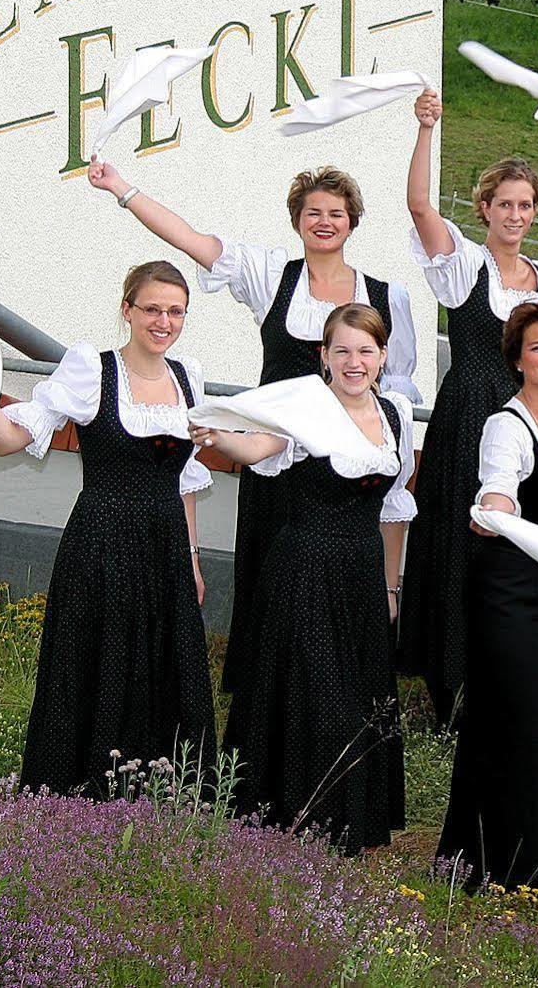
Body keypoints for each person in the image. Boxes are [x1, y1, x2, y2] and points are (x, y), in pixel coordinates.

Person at [86, 159, 418, 702]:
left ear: (353, 222)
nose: (325, 221)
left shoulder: (388, 298)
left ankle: (332, 692)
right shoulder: (271, 277)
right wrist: (122, 188)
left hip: (340, 474)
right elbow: (193, 240)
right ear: (298, 221)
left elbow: (399, 389)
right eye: (313, 212)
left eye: (336, 213)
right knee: (267, 575)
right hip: (272, 458)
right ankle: (263, 699)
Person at [0, 261, 216, 796]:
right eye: (152, 309)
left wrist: (193, 561)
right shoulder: (92, 369)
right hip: (102, 539)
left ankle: (155, 790)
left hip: (166, 544)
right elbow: (12, 439)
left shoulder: (187, 377)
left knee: (162, 661)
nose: (164, 321)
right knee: (97, 659)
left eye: (175, 311)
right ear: (127, 310)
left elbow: (185, 481)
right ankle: (84, 793)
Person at [192, 305, 415, 853]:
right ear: (324, 357)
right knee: (314, 691)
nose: (354, 361)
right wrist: (219, 436)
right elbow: (258, 447)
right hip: (306, 568)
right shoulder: (308, 409)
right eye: (342, 350)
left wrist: (390, 587)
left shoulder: (396, 414)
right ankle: (297, 817)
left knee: (355, 693)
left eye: (365, 350)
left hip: (362, 574)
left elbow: (393, 511)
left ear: (383, 357)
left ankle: (348, 819)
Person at [402, 90, 538, 718]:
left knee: (511, 538)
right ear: (485, 209)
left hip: (522, 413)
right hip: (468, 410)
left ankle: (495, 672)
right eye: (504, 205)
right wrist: (425, 129)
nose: (515, 215)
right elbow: (418, 205)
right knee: (457, 536)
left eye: (525, 206)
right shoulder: (464, 264)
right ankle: (447, 683)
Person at [437, 297, 538, 892]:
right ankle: (483, 865)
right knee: (507, 723)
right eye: (537, 347)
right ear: (519, 360)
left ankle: (526, 865)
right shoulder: (506, 426)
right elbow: (498, 491)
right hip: (505, 592)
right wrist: (494, 509)